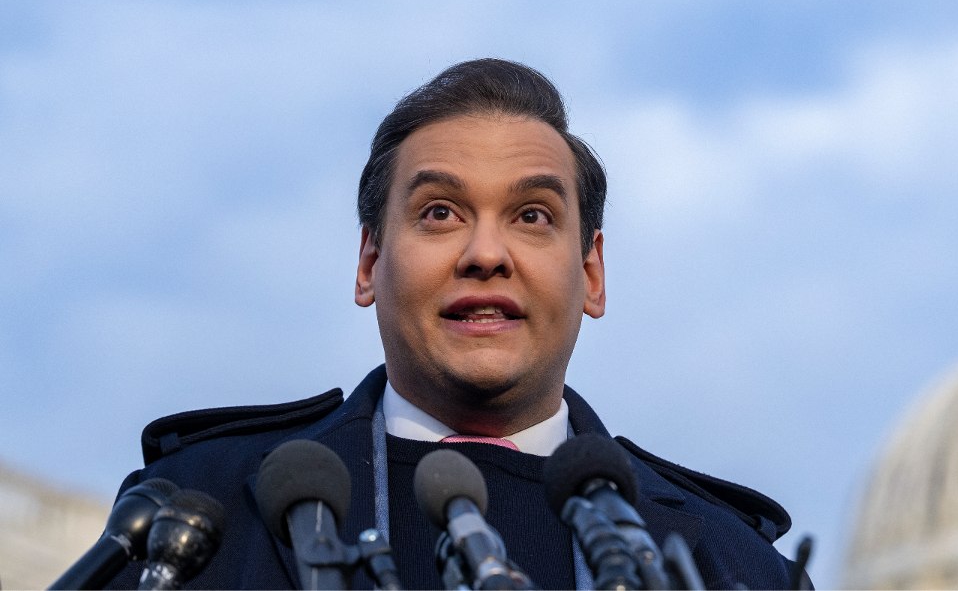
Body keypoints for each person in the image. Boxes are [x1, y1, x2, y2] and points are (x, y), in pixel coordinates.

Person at [104, 59, 798, 590]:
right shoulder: (194, 509)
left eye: (532, 216)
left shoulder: (738, 562)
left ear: (591, 272)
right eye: (440, 212)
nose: (486, 255)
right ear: (370, 260)